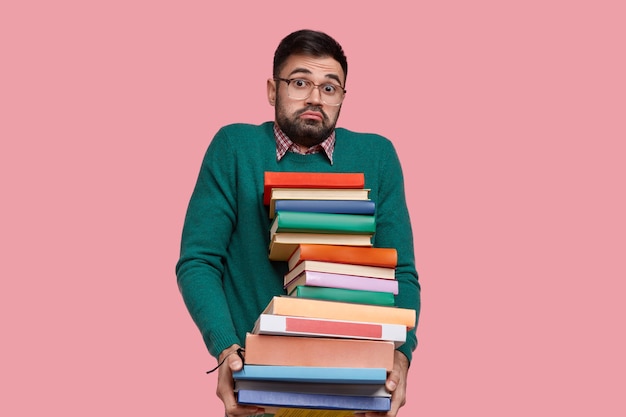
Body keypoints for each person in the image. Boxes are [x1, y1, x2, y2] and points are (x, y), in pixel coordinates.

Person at [176, 29, 421, 417]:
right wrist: (225, 350)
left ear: (342, 97)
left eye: (330, 88)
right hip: (257, 388)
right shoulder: (235, 147)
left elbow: (401, 272)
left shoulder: (378, 155)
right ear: (273, 90)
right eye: (300, 82)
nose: (314, 98)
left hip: (355, 389)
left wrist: (402, 357)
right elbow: (199, 261)